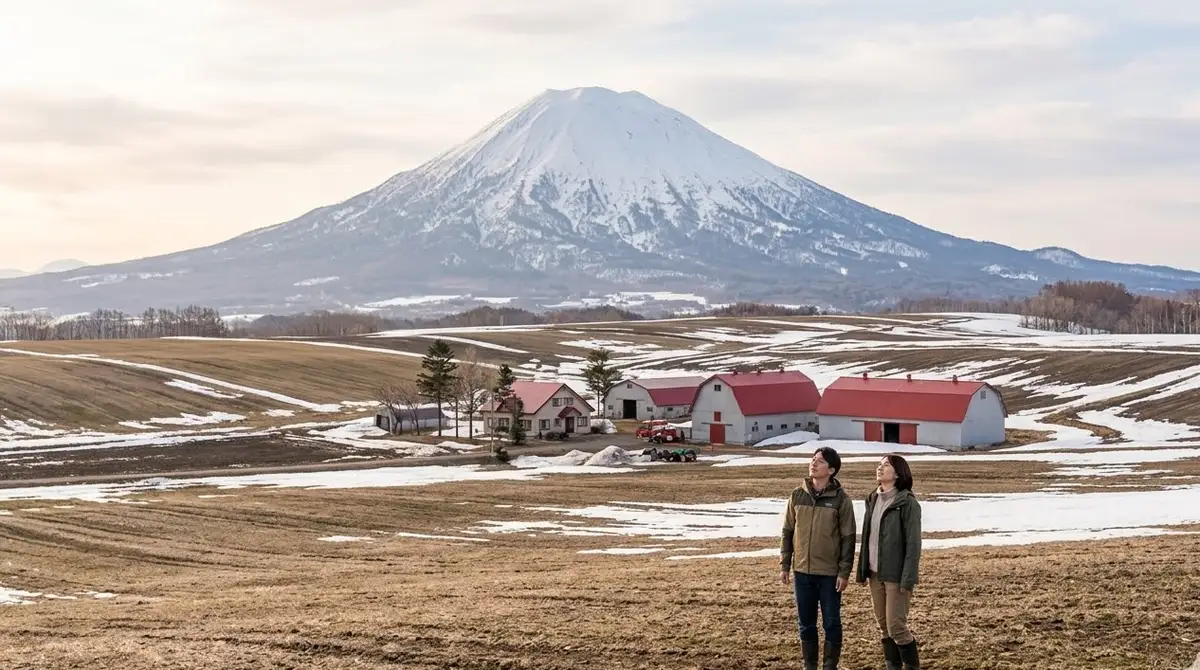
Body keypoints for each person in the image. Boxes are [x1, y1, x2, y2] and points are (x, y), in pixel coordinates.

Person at [781, 446, 856, 670]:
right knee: (806, 624)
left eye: (820, 461)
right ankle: (810, 666)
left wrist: (844, 572)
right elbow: (788, 531)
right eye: (813, 459)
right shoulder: (797, 495)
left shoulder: (841, 500)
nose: (813, 463)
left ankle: (830, 666)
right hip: (802, 572)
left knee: (831, 623)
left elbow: (848, 538)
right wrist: (785, 564)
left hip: (829, 574)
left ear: (831, 470)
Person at [856, 454, 923, 669]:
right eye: (879, 464)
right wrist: (863, 569)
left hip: (896, 575)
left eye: (886, 465)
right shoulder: (872, 499)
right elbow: (868, 537)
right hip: (875, 573)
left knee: (896, 626)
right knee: (884, 626)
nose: (880, 468)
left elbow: (913, 544)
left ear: (898, 473)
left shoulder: (907, 503)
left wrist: (908, 578)